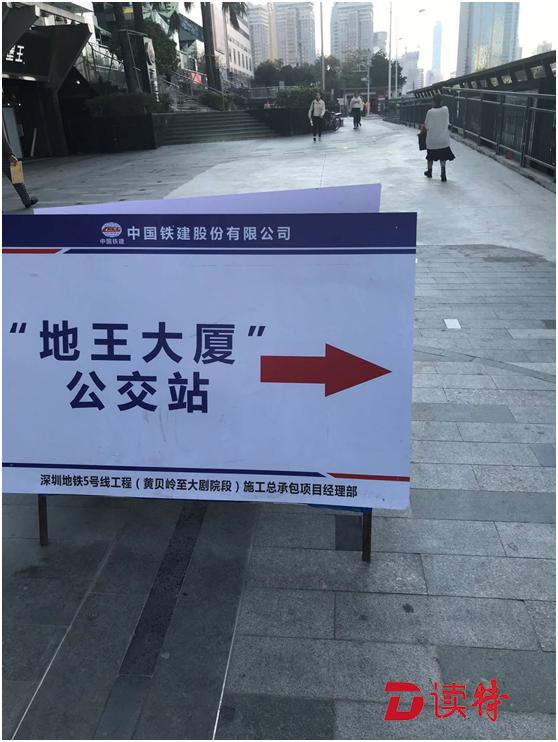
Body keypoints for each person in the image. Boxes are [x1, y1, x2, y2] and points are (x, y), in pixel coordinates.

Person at [2, 126, 38, 208]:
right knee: (16, 177)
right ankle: (26, 200)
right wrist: (10, 154)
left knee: (16, 177)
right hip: (3, 156)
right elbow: (2, 139)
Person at [423, 93, 455, 182]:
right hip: (443, 140)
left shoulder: (430, 112)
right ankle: (443, 172)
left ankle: (429, 171)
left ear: (433, 102)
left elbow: (426, 125)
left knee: (430, 156)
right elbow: (447, 122)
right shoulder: (445, 110)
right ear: (441, 101)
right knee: (443, 156)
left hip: (432, 141)